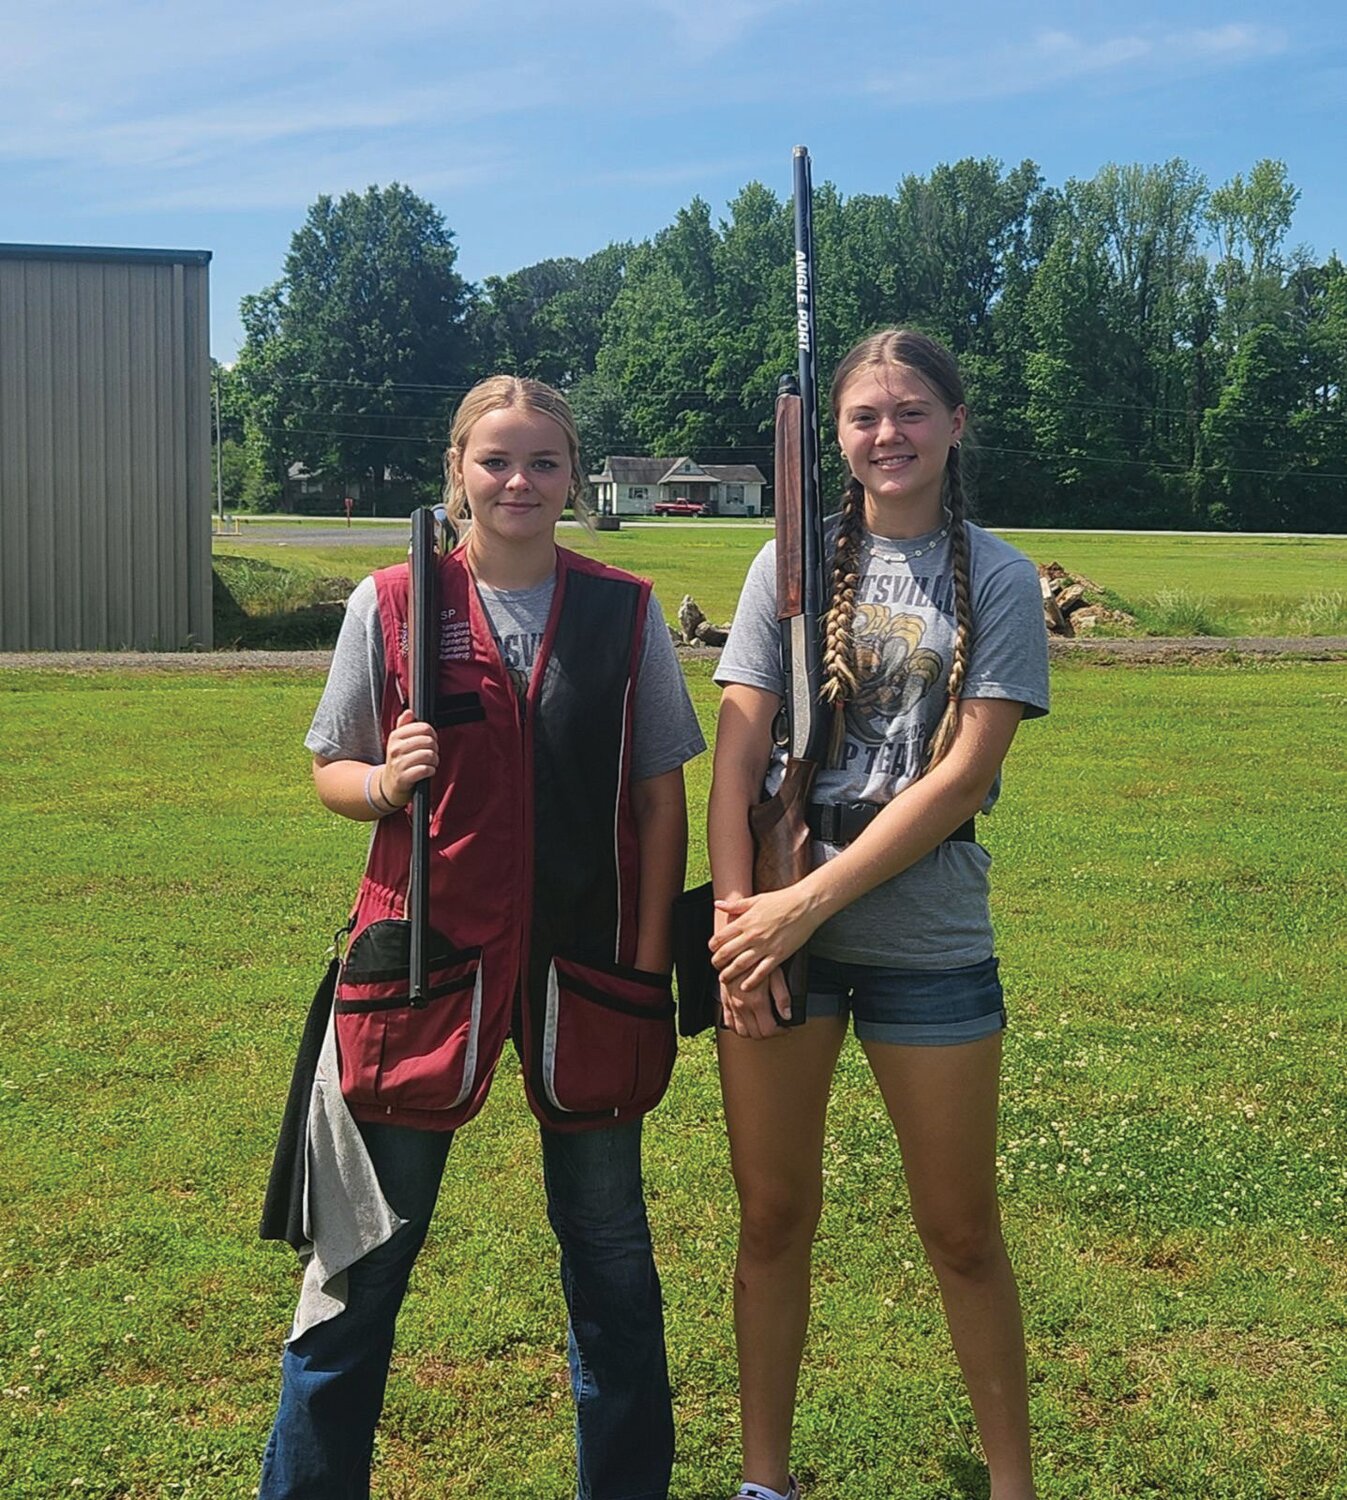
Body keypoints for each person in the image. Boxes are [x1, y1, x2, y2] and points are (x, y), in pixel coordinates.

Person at [259, 375, 704, 1500]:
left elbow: (660, 800)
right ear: (456, 469)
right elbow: (330, 770)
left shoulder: (625, 610)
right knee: (359, 1269)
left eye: (544, 462)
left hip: (590, 970)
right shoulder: (392, 601)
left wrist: (646, 968)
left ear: (574, 480)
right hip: (420, 969)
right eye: (496, 460)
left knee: (612, 1268)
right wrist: (380, 780)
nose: (520, 482)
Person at [707, 330, 1049, 1500]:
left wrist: (802, 905)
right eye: (865, 417)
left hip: (928, 938)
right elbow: (737, 753)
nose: (888, 434)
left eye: (911, 412)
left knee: (961, 1231)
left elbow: (958, 776)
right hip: (777, 936)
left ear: (957, 424)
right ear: (835, 436)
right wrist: (742, 925)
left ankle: (1012, 1484)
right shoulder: (782, 569)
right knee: (773, 1218)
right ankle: (765, 1480)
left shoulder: (1000, 578)